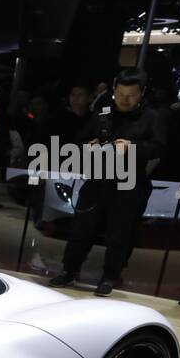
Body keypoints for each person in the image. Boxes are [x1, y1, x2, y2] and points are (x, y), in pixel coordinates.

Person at [50, 68, 167, 296]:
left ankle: (110, 276)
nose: (124, 98)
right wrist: (89, 146)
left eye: (131, 94)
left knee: (120, 234)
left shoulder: (152, 117)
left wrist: (132, 148)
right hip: (97, 180)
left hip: (129, 184)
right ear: (114, 90)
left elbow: (160, 148)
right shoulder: (103, 114)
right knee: (81, 229)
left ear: (142, 93)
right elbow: (80, 140)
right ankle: (69, 270)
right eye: (120, 93)